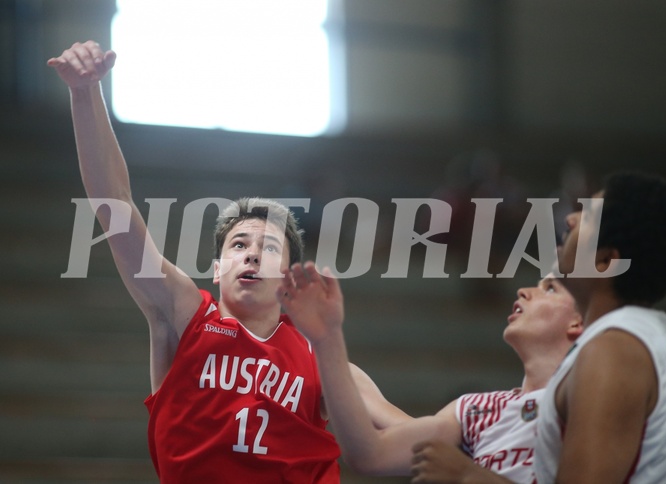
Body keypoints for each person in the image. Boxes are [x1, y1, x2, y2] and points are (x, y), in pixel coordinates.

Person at [47, 41, 408, 483]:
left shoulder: (324, 360)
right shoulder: (183, 315)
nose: (253, 252)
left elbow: (407, 433)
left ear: (289, 279)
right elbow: (114, 204)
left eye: (270, 247)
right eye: (239, 244)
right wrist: (84, 94)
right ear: (217, 269)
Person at [278, 264, 583, 483]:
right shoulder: (475, 410)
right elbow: (371, 454)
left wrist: (469, 476)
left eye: (551, 288)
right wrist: (327, 337)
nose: (525, 290)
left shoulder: (590, 403)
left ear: (577, 322)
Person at [535, 172, 666, 483]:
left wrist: (470, 476)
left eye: (586, 215)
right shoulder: (657, 333)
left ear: (606, 260)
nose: (570, 218)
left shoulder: (614, 351)